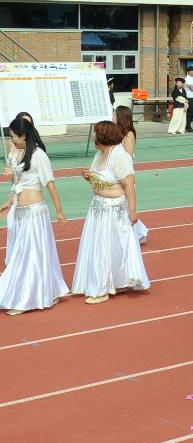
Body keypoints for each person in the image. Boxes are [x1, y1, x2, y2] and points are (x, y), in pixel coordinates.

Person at [73, 121, 150, 304]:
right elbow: (100, 181)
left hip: (114, 210)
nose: (93, 137)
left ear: (103, 136)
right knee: (104, 247)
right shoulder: (99, 154)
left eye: (96, 134)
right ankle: (115, 282)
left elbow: (129, 185)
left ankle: (102, 288)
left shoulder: (119, 155)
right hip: (98, 208)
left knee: (109, 248)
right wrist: (88, 176)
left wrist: (133, 212)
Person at [0, 118, 68, 315]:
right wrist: (10, 201)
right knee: (22, 254)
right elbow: (17, 183)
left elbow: (50, 184)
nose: (11, 139)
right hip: (20, 213)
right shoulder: (16, 152)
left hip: (35, 212)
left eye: (14, 136)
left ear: (24, 136)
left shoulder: (39, 156)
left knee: (30, 255)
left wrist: (59, 211)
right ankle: (40, 292)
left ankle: (26, 298)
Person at [114, 105, 148, 244]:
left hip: (125, 173)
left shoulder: (129, 135)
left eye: (115, 115)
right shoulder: (117, 132)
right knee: (122, 204)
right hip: (116, 171)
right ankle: (138, 232)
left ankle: (139, 232)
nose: (112, 117)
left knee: (126, 203)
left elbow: (127, 156)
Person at [184, 67, 193, 132]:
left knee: (192, 112)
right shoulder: (187, 79)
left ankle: (188, 125)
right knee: (189, 112)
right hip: (188, 97)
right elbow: (192, 88)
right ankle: (188, 126)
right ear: (189, 71)